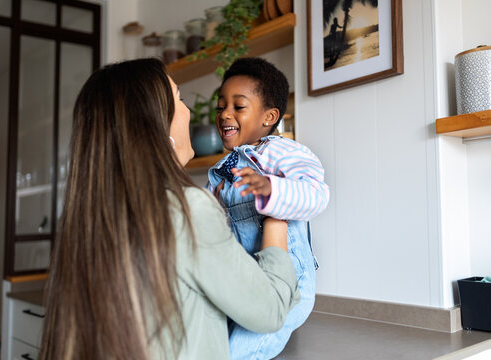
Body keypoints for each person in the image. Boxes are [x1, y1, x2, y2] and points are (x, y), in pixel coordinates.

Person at [38, 58, 301, 360]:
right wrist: (277, 212)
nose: (189, 111)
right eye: (179, 99)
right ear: (154, 124)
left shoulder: (93, 216)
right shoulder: (185, 209)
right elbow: (269, 310)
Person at [207, 57, 330, 360]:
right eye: (221, 106)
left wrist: (271, 188)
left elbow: (317, 195)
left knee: (242, 350)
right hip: (244, 282)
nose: (225, 114)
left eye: (238, 106)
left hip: (289, 285)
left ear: (268, 116)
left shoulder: (283, 151)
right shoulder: (222, 169)